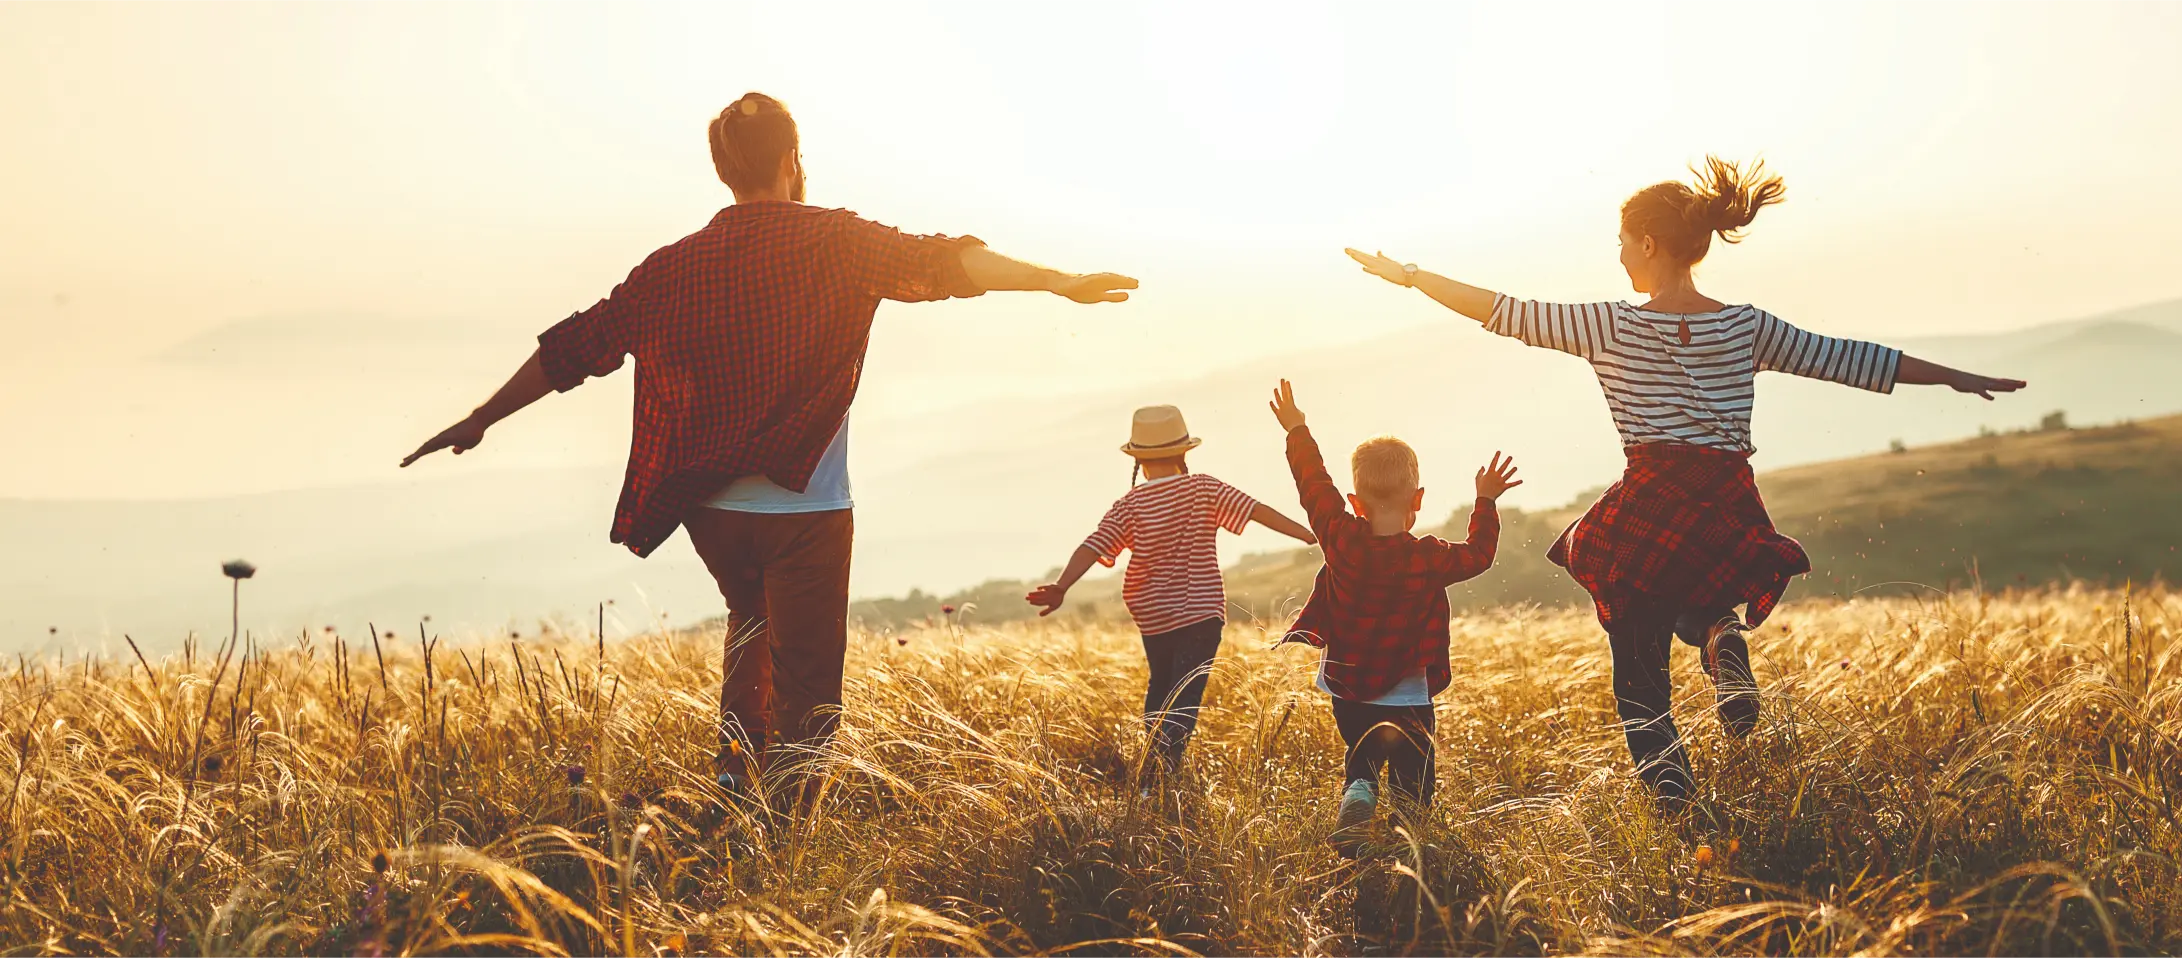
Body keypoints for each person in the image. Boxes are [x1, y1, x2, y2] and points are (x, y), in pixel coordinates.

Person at [400, 92, 1139, 810]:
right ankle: (786, 826)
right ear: (792, 159)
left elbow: (576, 347)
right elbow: (946, 263)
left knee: (748, 624)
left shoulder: (672, 266)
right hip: (805, 510)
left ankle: (733, 777)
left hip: (709, 512)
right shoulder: (837, 240)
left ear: (724, 170)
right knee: (809, 677)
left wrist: (480, 417)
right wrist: (1058, 283)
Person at [1342, 155, 2025, 816]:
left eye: (1620, 243)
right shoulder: (1745, 325)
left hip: (1650, 498)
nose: (1616, 257)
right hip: (1726, 501)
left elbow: (1499, 309)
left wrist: (1408, 276)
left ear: (1646, 242)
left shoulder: (1609, 323)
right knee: (1687, 595)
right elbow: (1851, 359)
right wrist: (1958, 377)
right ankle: (1718, 634)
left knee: (1635, 673)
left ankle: (1677, 809)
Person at [1264, 379, 1514, 854]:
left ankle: (1358, 790)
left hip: (1347, 684)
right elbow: (1480, 554)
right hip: (1407, 692)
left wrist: (1297, 429)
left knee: (1361, 758)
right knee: (1413, 776)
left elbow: (1313, 485)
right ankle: (1406, 846)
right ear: (1417, 499)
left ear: (1355, 503)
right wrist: (1485, 500)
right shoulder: (1428, 557)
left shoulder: (1339, 537)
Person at [1024, 404, 1315, 785]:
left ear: (1139, 461)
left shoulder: (1129, 505)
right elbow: (1257, 511)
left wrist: (1062, 586)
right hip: (1201, 613)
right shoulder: (1204, 488)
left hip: (1153, 616)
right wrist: (1310, 534)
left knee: (1160, 688)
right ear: (1183, 452)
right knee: (1185, 694)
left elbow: (1093, 546)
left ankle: (1153, 772)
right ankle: (1162, 775)